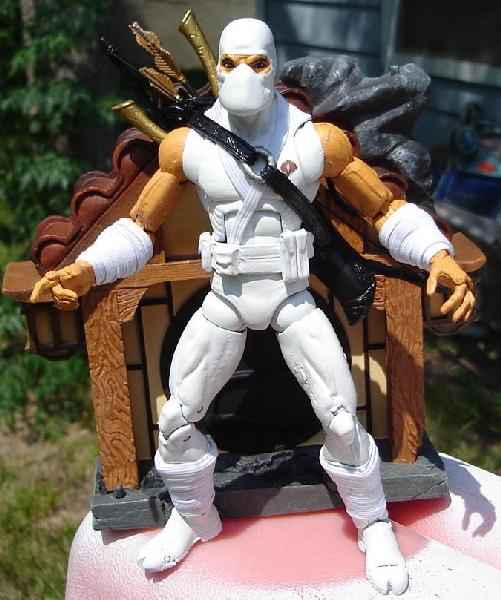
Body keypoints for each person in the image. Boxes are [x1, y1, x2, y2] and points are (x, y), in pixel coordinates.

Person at [31, 18, 475, 596]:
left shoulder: (317, 142)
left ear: (274, 65)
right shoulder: (187, 146)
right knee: (176, 420)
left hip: (293, 298)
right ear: (216, 67)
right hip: (225, 299)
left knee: (341, 418)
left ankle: (372, 522)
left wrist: (438, 255)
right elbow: (139, 228)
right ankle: (195, 515)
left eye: (257, 62)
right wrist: (86, 268)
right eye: (231, 62)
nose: (243, 74)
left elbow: (386, 212)